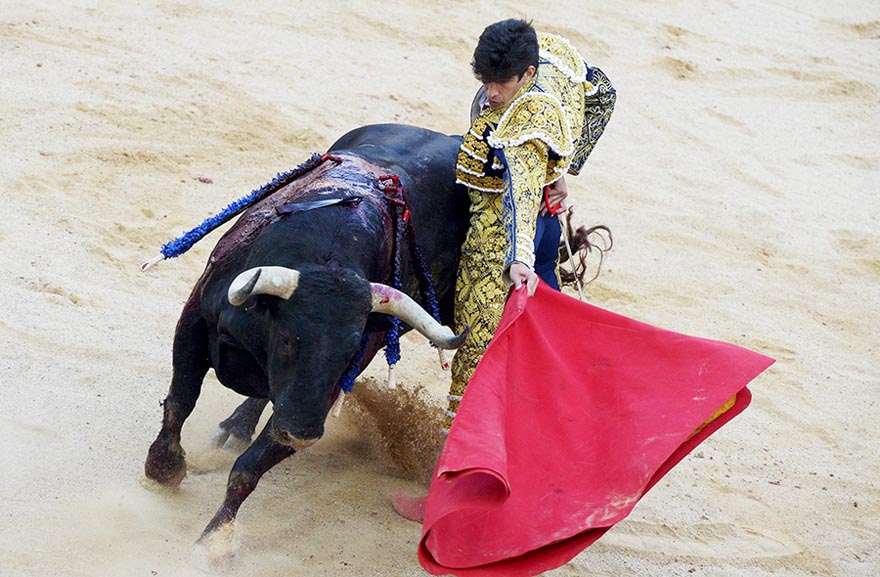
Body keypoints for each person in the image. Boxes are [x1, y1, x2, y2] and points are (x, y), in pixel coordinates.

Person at [393, 18, 615, 522]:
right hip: (546, 226)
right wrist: (566, 168)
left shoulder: (525, 117)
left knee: (476, 360)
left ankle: (449, 498)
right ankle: (548, 463)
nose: (491, 93)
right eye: (485, 82)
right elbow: (603, 91)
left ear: (527, 73)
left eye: (501, 83)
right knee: (538, 347)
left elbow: (516, 193)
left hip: (501, 244)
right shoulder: (555, 56)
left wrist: (516, 258)